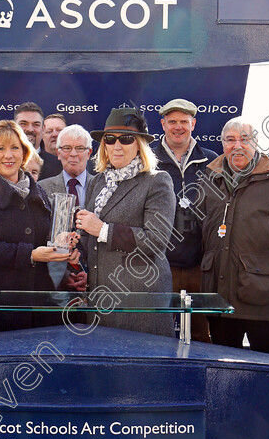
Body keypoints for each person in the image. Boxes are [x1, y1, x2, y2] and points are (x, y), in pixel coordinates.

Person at [0, 120, 78, 334]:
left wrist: (63, 247)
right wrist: (30, 255)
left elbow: (47, 239)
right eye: (1, 148)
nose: (8, 155)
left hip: (40, 304)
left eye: (15, 148)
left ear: (24, 153)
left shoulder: (39, 192)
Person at [199, 117, 269, 355]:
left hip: (264, 296)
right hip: (219, 297)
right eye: (230, 140)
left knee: (268, 371)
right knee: (223, 369)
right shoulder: (208, 179)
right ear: (222, 144)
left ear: (256, 142)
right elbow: (200, 231)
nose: (237, 145)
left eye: (244, 139)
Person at [76, 107, 176, 337]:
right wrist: (75, 242)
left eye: (126, 139)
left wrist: (103, 230)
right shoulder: (98, 181)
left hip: (140, 301)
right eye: (110, 139)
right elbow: (90, 236)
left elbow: (156, 240)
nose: (117, 146)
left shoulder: (157, 181)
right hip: (101, 299)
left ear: (139, 144)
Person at [152, 98, 217, 343]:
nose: (178, 127)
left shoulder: (211, 160)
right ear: (163, 124)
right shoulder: (149, 161)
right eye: (172, 122)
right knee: (159, 331)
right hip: (159, 263)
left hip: (199, 265)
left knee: (201, 333)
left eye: (183, 122)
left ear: (194, 124)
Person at [39, 124, 94, 291]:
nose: (73, 154)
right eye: (67, 148)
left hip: (97, 281)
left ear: (89, 153)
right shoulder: (42, 189)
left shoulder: (103, 187)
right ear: (58, 153)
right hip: (53, 283)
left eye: (79, 148)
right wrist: (63, 276)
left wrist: (92, 276)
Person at [14, 102, 60, 180]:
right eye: (23, 124)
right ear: (14, 126)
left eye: (36, 124)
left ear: (43, 128)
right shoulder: (4, 161)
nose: (30, 129)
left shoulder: (57, 165)